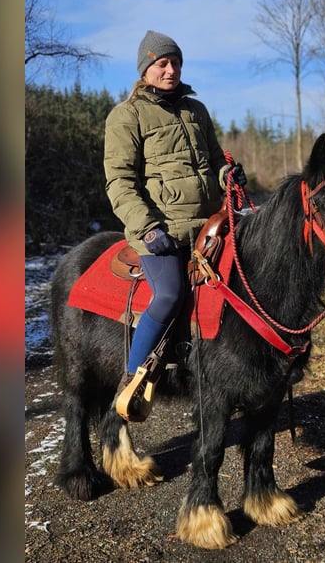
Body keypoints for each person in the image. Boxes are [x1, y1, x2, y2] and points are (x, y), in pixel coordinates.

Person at [103, 30, 246, 419]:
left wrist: (227, 175)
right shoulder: (127, 115)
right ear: (145, 68)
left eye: (176, 62)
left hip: (207, 223)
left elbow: (215, 159)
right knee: (168, 294)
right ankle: (133, 378)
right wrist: (147, 226)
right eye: (162, 63)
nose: (171, 70)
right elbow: (120, 181)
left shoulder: (195, 110)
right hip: (157, 230)